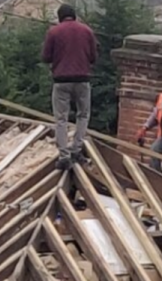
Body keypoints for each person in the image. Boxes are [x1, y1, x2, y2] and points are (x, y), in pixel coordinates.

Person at [42, 3, 98, 171]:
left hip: (61, 81)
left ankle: (64, 156)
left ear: (60, 17)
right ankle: (76, 150)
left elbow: (45, 57)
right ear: (74, 16)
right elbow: (94, 57)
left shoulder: (54, 32)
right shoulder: (87, 31)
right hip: (82, 79)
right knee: (83, 115)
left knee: (61, 118)